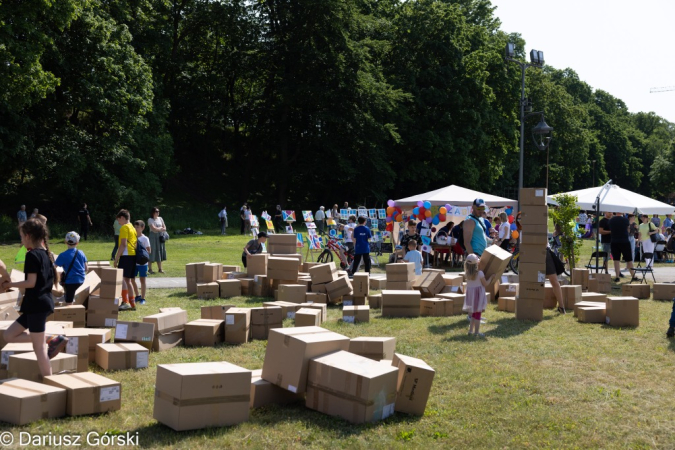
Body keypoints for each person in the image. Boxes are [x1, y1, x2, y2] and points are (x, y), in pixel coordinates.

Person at [2, 218, 69, 379]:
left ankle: (50, 381)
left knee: (39, 348)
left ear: (28, 235)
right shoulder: (46, 254)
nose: (21, 241)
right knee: (8, 335)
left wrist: (10, 284)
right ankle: (50, 339)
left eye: (21, 237)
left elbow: (30, 283)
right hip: (35, 305)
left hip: (37, 305)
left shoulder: (32, 255)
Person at [462, 254, 494, 337]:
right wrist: (491, 277)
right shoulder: (480, 273)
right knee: (477, 315)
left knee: (473, 314)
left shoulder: (467, 274)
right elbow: (486, 284)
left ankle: (470, 331)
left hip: (471, 297)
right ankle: (476, 332)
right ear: (477, 264)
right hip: (478, 297)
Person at [114, 209, 138, 311]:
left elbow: (123, 244)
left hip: (126, 256)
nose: (119, 222)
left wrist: (116, 258)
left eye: (119, 220)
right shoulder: (132, 227)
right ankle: (132, 303)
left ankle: (125, 302)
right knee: (128, 281)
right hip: (133, 256)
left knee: (123, 279)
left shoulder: (124, 228)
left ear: (123, 218)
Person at [54, 232, 88, 305]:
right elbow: (86, 268)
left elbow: (54, 267)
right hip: (82, 280)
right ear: (77, 243)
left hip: (71, 282)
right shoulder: (81, 253)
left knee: (69, 303)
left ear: (65, 242)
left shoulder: (63, 255)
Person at [608, 212, 636, 282]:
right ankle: (633, 276)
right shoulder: (625, 220)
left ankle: (617, 276)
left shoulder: (611, 220)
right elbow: (628, 229)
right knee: (629, 259)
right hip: (624, 241)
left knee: (616, 260)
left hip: (614, 241)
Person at [134, 220, 151, 305]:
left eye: (138, 227)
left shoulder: (145, 238)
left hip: (142, 263)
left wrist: (141, 252)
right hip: (134, 262)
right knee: (131, 279)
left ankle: (143, 298)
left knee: (142, 280)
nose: (136, 228)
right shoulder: (132, 237)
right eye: (135, 227)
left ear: (142, 228)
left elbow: (149, 250)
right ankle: (137, 295)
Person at [545, 247, 565, 314]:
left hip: (544, 254)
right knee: (532, 281)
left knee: (554, 280)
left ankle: (561, 307)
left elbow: (545, 241)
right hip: (531, 254)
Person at [148, 207, 167, 274]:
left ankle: (160, 269)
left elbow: (165, 227)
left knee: (160, 252)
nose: (158, 212)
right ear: (153, 212)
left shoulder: (160, 218)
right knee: (152, 251)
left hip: (160, 237)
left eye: (158, 211)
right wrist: (160, 228)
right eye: (156, 211)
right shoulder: (150, 219)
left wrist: (160, 229)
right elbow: (153, 229)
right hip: (153, 237)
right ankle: (150, 269)